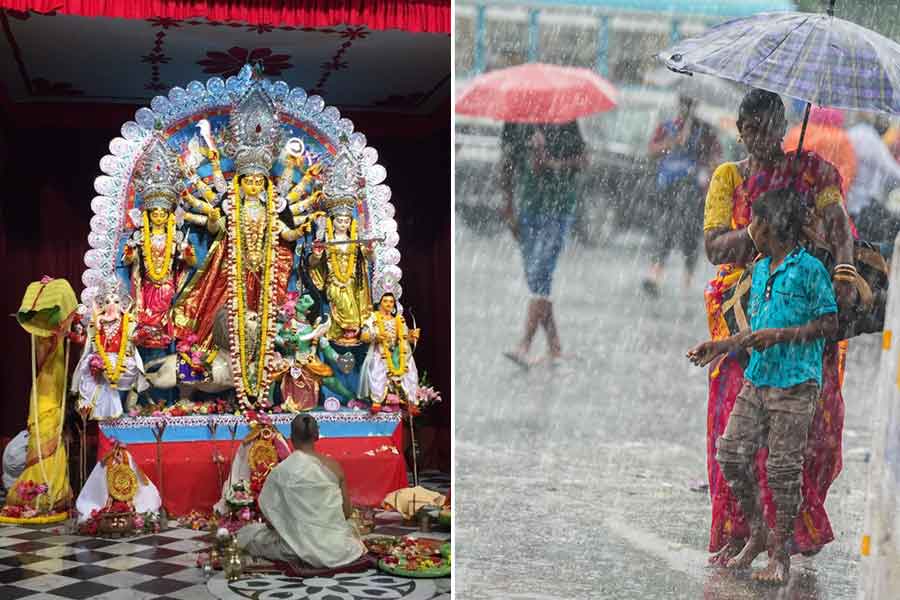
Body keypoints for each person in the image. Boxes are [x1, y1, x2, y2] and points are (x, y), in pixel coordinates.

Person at [702, 89, 856, 566]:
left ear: (784, 129)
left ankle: (785, 539)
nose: (765, 141)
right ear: (741, 131)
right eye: (755, 132)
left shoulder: (813, 173)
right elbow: (714, 248)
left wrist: (845, 271)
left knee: (810, 435)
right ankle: (747, 529)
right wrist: (759, 229)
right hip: (745, 315)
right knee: (734, 437)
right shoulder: (730, 178)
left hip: (804, 313)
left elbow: (838, 227)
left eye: (773, 132)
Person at [688, 188, 839, 584]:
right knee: (732, 454)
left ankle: (780, 556)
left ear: (772, 226)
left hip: (795, 384)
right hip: (758, 378)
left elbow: (828, 325)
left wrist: (782, 335)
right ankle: (757, 532)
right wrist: (720, 346)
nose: (749, 228)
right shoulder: (758, 270)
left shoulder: (810, 270)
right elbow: (756, 330)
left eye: (755, 221)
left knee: (782, 469)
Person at [500, 121, 587, 368]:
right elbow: (506, 164)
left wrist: (552, 164)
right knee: (536, 279)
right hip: (529, 209)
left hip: (558, 209)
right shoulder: (516, 123)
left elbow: (583, 160)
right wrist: (508, 209)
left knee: (541, 272)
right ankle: (555, 347)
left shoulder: (566, 121)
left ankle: (524, 345)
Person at [237, 414, 366, 569]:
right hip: (337, 547)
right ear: (317, 436)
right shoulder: (334, 467)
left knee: (247, 534)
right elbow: (346, 513)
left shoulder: (281, 471)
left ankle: (303, 551)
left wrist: (293, 527)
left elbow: (271, 523)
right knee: (351, 532)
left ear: (291, 437)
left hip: (295, 546)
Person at [643, 96, 721, 294]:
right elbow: (651, 150)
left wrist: (705, 161)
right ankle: (656, 274)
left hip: (692, 190)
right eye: (683, 105)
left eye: (689, 105)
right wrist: (671, 143)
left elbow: (715, 157)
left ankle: (688, 278)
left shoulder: (704, 130)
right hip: (667, 187)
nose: (685, 109)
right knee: (664, 230)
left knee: (689, 234)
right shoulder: (668, 126)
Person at [846, 113, 900, 243]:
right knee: (891, 230)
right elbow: (889, 167)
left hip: (848, 200)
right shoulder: (869, 137)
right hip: (864, 203)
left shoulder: (850, 134)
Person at [784, 107, 857, 199]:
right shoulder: (842, 139)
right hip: (829, 196)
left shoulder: (798, 133)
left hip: (797, 194)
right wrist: (836, 190)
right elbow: (848, 170)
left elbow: (787, 160)